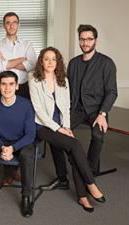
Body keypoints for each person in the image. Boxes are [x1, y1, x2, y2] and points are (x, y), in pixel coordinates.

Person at [29, 47, 106, 212]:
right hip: (43, 125)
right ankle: (90, 184)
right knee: (75, 146)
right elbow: (39, 111)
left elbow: (66, 106)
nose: (50, 62)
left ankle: (82, 196)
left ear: (58, 62)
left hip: (61, 126)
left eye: (54, 59)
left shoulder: (62, 79)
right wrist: (59, 129)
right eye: (46, 59)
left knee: (74, 152)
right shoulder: (34, 80)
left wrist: (67, 127)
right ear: (41, 61)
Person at [42, 25, 118, 191]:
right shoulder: (74, 63)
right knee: (55, 135)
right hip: (75, 109)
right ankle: (62, 177)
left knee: (98, 135)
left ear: (95, 40)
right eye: (82, 39)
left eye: (89, 39)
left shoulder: (106, 63)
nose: (85, 42)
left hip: (97, 110)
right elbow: (65, 90)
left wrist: (103, 113)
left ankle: (88, 172)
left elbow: (112, 92)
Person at [0, 71, 36, 218]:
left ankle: (26, 197)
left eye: (11, 84)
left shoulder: (26, 105)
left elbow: (30, 134)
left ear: (17, 86)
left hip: (21, 142)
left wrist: (13, 148)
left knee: (27, 154)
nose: (7, 88)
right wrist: (3, 147)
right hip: (1, 142)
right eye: (3, 84)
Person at [0, 12, 37, 185]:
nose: (11, 25)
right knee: (3, 127)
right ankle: (7, 171)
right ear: (4, 25)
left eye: (14, 22)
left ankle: (16, 168)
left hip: (23, 88)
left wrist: (8, 61)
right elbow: (0, 67)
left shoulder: (27, 44)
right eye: (8, 23)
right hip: (2, 87)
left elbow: (32, 64)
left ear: (18, 25)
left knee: (20, 127)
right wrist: (21, 60)